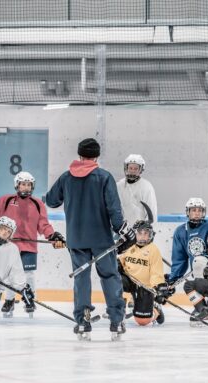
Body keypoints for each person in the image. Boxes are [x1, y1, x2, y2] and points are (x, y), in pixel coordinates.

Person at [46, 137, 135, 340]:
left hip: (76, 239)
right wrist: (122, 229)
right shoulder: (104, 177)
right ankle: (116, 320)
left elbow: (51, 200)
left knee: (82, 278)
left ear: (79, 154)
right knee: (110, 276)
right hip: (102, 239)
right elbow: (114, 208)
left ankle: (83, 320)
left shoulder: (66, 177)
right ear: (96, 156)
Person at [0, 171, 65, 317]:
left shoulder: (38, 204)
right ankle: (9, 300)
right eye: (23, 184)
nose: (26, 187)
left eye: (28, 185)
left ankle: (30, 299)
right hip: (8, 246)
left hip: (29, 246)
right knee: (10, 275)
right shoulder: (6, 200)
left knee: (29, 274)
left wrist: (52, 235)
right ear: (17, 185)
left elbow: (43, 224)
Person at [118, 220, 171, 326]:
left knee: (142, 321)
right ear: (134, 234)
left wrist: (159, 287)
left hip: (145, 286)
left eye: (145, 233)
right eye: (139, 233)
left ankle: (156, 309)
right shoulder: (129, 247)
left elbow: (156, 273)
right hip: (130, 281)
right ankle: (119, 309)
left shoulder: (153, 250)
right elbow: (120, 262)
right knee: (114, 280)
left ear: (150, 235)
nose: (142, 237)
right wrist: (117, 264)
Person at [116, 154, 157, 227]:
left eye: (136, 168)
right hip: (121, 230)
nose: (132, 171)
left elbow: (152, 211)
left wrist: (148, 230)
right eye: (130, 168)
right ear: (126, 168)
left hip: (139, 231)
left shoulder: (146, 187)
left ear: (140, 170)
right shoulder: (119, 185)